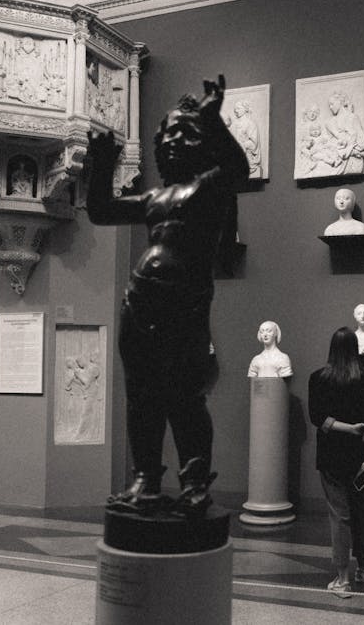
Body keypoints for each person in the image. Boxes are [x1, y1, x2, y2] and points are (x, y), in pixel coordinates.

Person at [86, 76, 249, 514]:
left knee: (184, 398)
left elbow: (239, 170)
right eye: (168, 134)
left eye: (186, 133)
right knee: (142, 397)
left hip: (185, 307)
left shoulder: (209, 189)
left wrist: (213, 122)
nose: (175, 141)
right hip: (139, 306)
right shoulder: (154, 197)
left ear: (204, 144)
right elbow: (100, 212)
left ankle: (195, 482)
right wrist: (100, 165)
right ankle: (146, 480)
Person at [308, 327, 364, 598]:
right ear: (355, 348)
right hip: (360, 456)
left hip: (330, 456)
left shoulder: (318, 378)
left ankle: (342, 579)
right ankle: (363, 566)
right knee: (362, 513)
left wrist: (346, 428)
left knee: (340, 515)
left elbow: (318, 418)